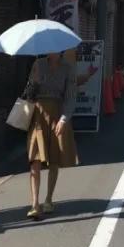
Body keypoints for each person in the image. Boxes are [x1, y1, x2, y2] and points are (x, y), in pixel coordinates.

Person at [23, 51, 78, 220]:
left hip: (57, 113)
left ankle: (48, 199)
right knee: (35, 159)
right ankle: (34, 204)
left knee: (54, 159)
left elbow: (70, 96)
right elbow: (28, 92)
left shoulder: (68, 68)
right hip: (38, 114)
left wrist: (63, 119)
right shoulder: (38, 64)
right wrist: (35, 80)